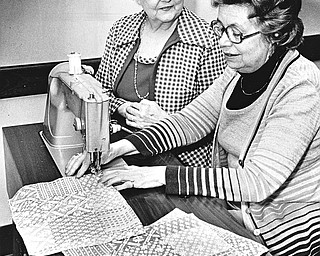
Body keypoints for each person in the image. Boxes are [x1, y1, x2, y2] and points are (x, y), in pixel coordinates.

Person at [66, 0, 320, 255]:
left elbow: (257, 181)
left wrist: (155, 176)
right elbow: (189, 121)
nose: (222, 42)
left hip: (282, 231)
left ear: (274, 34)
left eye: (236, 33)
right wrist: (116, 149)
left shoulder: (300, 86)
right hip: (237, 208)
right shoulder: (239, 70)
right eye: (220, 29)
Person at [95, 0, 226, 166]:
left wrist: (166, 121)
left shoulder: (207, 39)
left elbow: (220, 120)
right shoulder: (120, 30)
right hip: (119, 150)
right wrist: (122, 108)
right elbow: (100, 93)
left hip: (180, 161)